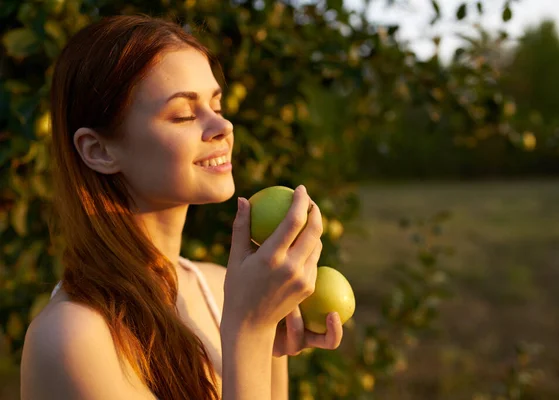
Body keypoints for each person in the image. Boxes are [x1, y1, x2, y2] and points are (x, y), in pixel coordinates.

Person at [20, 15, 343, 400]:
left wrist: (269, 346)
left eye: (216, 104)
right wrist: (250, 332)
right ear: (99, 150)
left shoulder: (221, 288)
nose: (223, 127)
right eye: (185, 114)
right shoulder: (72, 337)